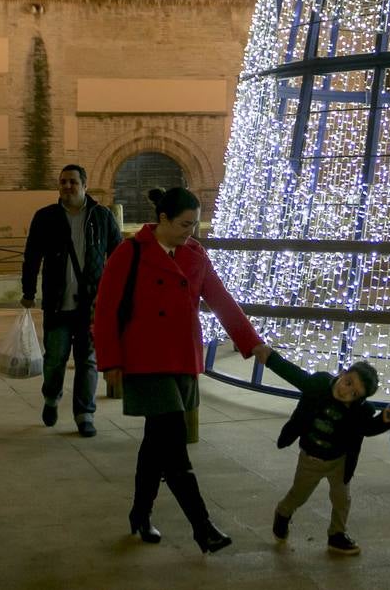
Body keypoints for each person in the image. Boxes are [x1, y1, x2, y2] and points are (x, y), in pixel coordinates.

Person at [93, 187, 265, 553]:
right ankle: (202, 527)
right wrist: (110, 362)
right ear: (164, 220)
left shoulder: (194, 255)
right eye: (185, 224)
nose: (191, 231)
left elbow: (221, 300)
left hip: (182, 361)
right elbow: (106, 310)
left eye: (194, 224)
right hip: (146, 360)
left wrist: (252, 342)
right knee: (173, 445)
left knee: (156, 445)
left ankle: (140, 515)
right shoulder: (131, 252)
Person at [251, 344, 390, 556]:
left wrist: (384, 421)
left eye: (354, 393)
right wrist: (270, 358)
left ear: (359, 399)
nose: (346, 391)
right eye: (347, 383)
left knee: (342, 499)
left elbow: (366, 428)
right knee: (299, 495)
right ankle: (283, 512)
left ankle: (337, 535)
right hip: (311, 459)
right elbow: (295, 375)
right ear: (342, 374)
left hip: (339, 461)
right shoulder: (318, 385)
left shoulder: (359, 411)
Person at [21, 164, 120, 437]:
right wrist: (28, 291)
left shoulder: (102, 217)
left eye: (73, 182)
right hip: (57, 303)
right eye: (63, 182)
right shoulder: (45, 217)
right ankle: (51, 397)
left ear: (85, 185)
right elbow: (32, 257)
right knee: (54, 359)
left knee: (87, 361)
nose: (67, 186)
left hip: (90, 307)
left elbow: (119, 257)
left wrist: (115, 294)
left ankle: (84, 414)